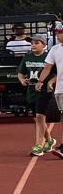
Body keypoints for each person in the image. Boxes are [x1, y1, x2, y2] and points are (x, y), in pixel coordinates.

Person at [17, 36, 57, 156]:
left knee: (40, 116)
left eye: (36, 43)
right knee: (37, 119)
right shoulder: (27, 57)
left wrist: (50, 82)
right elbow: (20, 72)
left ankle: (39, 146)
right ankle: (49, 141)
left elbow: (56, 73)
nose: (33, 45)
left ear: (44, 45)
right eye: (32, 43)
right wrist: (22, 80)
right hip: (31, 90)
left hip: (44, 90)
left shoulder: (48, 57)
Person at [38, 23, 63, 156]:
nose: (58, 35)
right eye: (57, 32)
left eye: (60, 32)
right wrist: (41, 81)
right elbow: (47, 68)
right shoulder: (54, 49)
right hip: (60, 89)